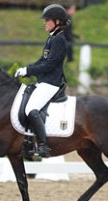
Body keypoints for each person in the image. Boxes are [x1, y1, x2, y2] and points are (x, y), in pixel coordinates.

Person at [14, 4, 70, 158]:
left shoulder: (59, 40)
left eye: (47, 20)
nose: (44, 23)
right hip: (44, 81)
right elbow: (42, 60)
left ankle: (44, 145)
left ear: (57, 21)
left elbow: (50, 65)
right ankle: (27, 140)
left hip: (51, 83)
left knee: (30, 109)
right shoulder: (51, 37)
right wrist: (27, 68)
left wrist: (29, 71)